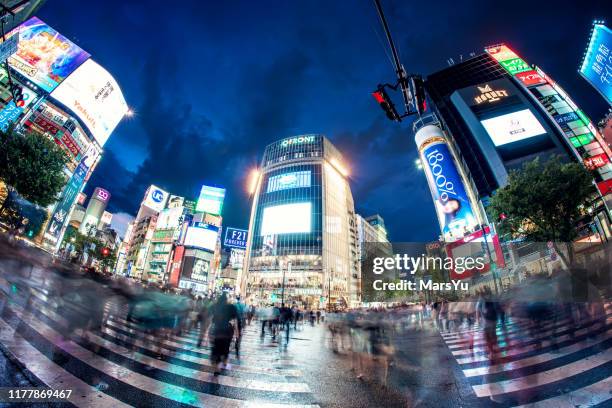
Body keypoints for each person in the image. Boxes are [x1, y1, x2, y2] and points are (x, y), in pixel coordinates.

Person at [209, 293, 242, 375]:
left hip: (217, 330)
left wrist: (208, 332)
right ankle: (224, 359)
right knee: (226, 346)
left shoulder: (215, 306)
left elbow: (210, 319)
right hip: (228, 330)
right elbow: (235, 320)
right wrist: (237, 332)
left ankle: (216, 367)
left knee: (216, 347)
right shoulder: (231, 307)